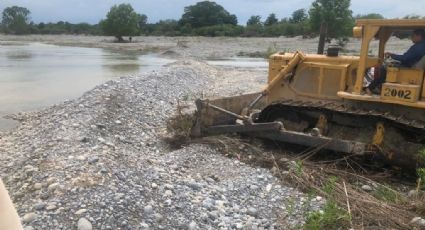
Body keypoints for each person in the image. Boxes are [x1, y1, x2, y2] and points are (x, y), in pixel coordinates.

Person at [366, 29, 425, 95]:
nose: (411, 37)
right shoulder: (422, 46)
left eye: (413, 36)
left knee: (383, 68)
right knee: (391, 65)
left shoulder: (418, 47)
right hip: (414, 66)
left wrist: (391, 55)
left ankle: (372, 88)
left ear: (419, 36)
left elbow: (404, 58)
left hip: (410, 68)